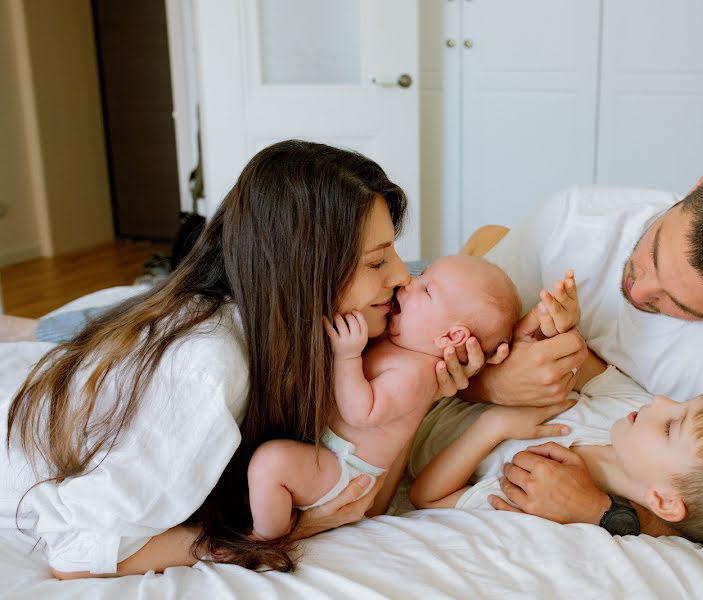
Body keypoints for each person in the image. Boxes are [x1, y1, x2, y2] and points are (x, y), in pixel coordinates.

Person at [1, 140, 491, 578]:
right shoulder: (208, 367)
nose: (404, 277)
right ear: (303, 267)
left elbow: (362, 497)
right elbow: (78, 552)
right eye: (377, 261)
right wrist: (283, 533)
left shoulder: (307, 332)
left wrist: (420, 394)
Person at [453, 155, 703, 528]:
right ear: (700, 183)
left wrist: (603, 513)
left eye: (678, 304)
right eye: (652, 253)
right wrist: (489, 384)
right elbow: (434, 335)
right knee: (476, 256)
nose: (639, 291)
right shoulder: (576, 219)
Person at [408, 277, 703, 561]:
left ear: (663, 500)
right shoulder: (626, 412)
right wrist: (558, 328)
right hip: (447, 357)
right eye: (682, 405)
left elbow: (426, 497)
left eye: (670, 426)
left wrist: (495, 425)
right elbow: (576, 360)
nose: (661, 401)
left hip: (410, 416)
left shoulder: (541, 491)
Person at [248, 255, 520, 540]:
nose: (409, 282)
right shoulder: (401, 347)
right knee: (259, 478)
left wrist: (347, 356)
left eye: (427, 290)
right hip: (329, 451)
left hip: (345, 470)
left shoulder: (416, 375)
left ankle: (265, 539)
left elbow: (361, 414)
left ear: (451, 337)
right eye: (422, 274)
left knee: (270, 464)